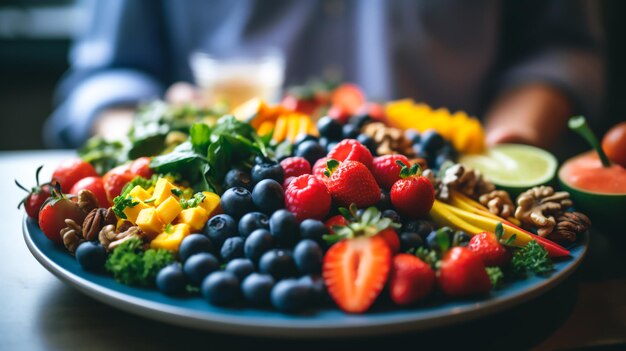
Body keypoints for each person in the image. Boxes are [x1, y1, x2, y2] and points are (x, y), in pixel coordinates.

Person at [44, 0, 604, 150]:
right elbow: (108, 76)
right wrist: (155, 145)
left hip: (448, 193)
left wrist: (510, 145)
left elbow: (560, 48)